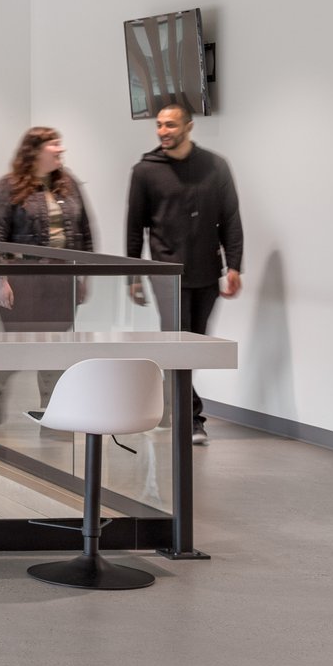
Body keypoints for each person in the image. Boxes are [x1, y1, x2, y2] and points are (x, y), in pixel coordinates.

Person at [125, 102, 244, 446]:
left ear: (188, 127)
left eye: (171, 125)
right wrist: (132, 274)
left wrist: (234, 265)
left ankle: (168, 404)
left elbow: (231, 218)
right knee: (178, 344)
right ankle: (191, 418)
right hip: (166, 272)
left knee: (195, 345)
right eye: (160, 125)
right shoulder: (145, 171)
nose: (163, 131)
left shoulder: (215, 167)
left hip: (207, 271)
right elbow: (134, 226)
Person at [0, 126, 95, 413]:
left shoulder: (69, 184)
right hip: (24, 280)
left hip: (62, 279)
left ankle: (51, 414)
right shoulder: (9, 186)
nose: (61, 149)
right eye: (54, 144)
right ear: (35, 151)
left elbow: (85, 231)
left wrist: (85, 276)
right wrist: (1, 280)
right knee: (21, 348)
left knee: (55, 349)